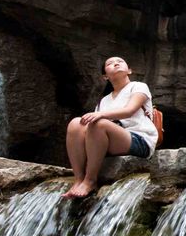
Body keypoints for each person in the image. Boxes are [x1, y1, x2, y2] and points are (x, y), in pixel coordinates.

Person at [63, 56, 157, 199]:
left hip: (138, 139)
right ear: (105, 76)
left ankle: (90, 180)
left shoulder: (138, 86)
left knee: (99, 122)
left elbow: (129, 110)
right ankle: (79, 179)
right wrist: (99, 115)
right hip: (108, 141)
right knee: (76, 123)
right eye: (110, 63)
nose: (116, 63)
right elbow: (89, 128)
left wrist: (101, 115)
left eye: (120, 61)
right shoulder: (104, 101)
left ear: (129, 70)